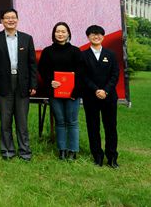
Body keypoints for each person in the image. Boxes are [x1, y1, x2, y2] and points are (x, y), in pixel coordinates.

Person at [0, 8, 37, 161]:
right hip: (3, 83)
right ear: (2, 21)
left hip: (22, 83)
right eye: (7, 18)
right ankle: (7, 151)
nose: (10, 20)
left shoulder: (26, 38)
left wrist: (33, 84)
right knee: (5, 120)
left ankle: (24, 151)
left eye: (13, 17)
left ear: (17, 20)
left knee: (22, 121)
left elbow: (32, 64)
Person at [37, 22, 85, 160]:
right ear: (54, 33)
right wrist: (50, 81)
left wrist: (75, 91)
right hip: (54, 92)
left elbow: (81, 72)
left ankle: (73, 150)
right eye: (58, 31)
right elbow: (43, 70)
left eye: (63, 31)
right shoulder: (47, 51)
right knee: (60, 121)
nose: (60, 34)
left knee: (72, 121)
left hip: (73, 93)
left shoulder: (76, 51)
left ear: (68, 33)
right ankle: (62, 150)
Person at [82, 25, 120, 168]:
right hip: (90, 97)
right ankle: (97, 156)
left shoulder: (111, 54)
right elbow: (83, 76)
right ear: (88, 37)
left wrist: (106, 90)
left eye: (99, 34)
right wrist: (96, 90)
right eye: (93, 34)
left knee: (111, 127)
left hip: (109, 97)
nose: (96, 36)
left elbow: (115, 74)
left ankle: (112, 157)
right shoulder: (83, 55)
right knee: (93, 127)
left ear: (103, 37)